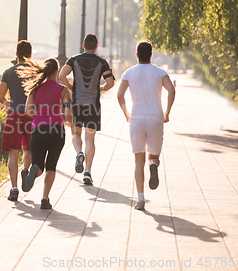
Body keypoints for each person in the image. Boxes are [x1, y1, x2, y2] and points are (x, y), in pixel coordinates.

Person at [117, 40, 176, 211]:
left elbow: (120, 95)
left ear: (136, 55)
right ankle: (153, 166)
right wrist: (167, 112)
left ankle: (140, 199)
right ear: (151, 55)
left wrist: (126, 113)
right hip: (155, 118)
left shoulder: (129, 73)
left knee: (138, 160)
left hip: (137, 119)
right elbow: (171, 90)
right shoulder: (160, 72)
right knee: (154, 156)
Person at [59, 34, 115, 185]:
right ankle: (87, 172)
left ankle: (79, 153)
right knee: (90, 139)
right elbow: (110, 83)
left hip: (77, 104)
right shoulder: (102, 62)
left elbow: (62, 74)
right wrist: (100, 88)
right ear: (96, 47)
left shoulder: (74, 59)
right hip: (93, 105)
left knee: (76, 133)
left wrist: (70, 87)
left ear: (83, 45)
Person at [18, 58, 73, 209]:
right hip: (56, 129)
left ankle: (34, 170)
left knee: (38, 164)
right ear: (57, 71)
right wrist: (71, 123)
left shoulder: (35, 88)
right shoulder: (62, 90)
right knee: (51, 166)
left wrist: (38, 117)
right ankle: (44, 199)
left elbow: (28, 111)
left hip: (38, 129)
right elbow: (67, 112)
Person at [0, 40, 33, 201]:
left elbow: (0, 96)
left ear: (16, 54)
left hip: (14, 114)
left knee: (14, 152)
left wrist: (8, 104)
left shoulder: (8, 72)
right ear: (30, 55)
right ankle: (25, 169)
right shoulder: (36, 73)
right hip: (31, 114)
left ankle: (13, 188)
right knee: (28, 148)